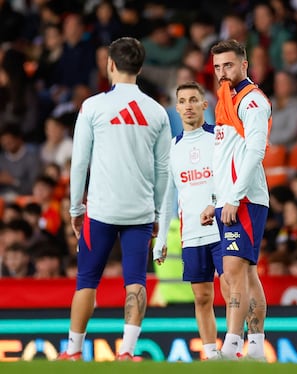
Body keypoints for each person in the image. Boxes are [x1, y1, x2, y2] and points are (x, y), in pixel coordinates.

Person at [57, 37, 171, 361]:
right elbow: (164, 170)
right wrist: (158, 215)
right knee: (135, 280)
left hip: (102, 211)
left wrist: (76, 208)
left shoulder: (93, 106)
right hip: (140, 212)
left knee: (86, 281)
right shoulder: (157, 111)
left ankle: (74, 351)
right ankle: (127, 352)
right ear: (140, 67)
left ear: (110, 64)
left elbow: (79, 162)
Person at [200, 39, 272, 361]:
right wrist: (215, 200)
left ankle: (231, 346)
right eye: (216, 67)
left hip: (244, 198)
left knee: (232, 271)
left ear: (244, 65)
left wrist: (234, 197)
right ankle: (255, 348)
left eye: (228, 65)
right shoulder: (224, 100)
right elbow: (224, 157)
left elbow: (256, 151)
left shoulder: (252, 101)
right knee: (246, 273)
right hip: (229, 198)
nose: (222, 72)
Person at [153, 81, 228, 360]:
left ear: (204, 105)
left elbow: (230, 178)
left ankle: (233, 345)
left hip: (222, 227)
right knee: (202, 296)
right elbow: (168, 194)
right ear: (177, 107)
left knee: (232, 289)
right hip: (192, 232)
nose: (188, 106)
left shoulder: (220, 137)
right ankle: (211, 353)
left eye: (193, 100)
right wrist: (161, 240)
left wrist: (215, 203)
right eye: (182, 101)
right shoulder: (173, 147)